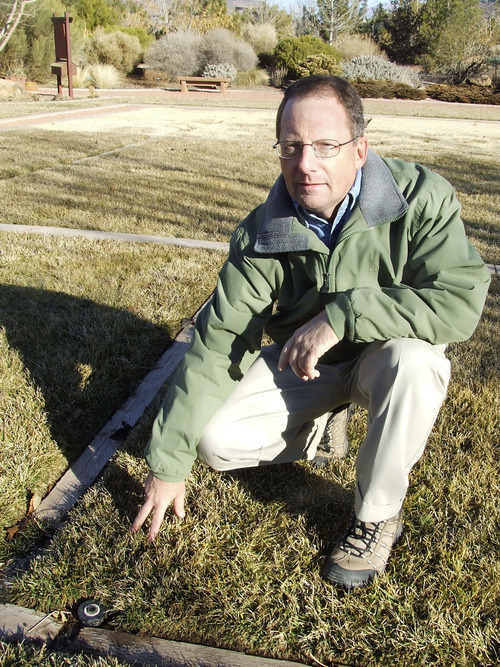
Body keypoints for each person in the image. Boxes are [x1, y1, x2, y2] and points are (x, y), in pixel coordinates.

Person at [131, 75, 490, 589]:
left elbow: (457, 304)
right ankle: (325, 421)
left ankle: (377, 514)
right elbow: (217, 343)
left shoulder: (422, 198)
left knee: (417, 363)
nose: (306, 164)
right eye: (292, 147)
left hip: (387, 357)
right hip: (308, 362)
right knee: (215, 440)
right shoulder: (263, 231)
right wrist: (169, 462)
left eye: (326, 146)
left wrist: (342, 316)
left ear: (360, 149)